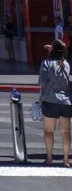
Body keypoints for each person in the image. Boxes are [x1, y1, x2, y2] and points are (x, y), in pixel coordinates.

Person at [38, 39, 71, 167]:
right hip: (66, 102)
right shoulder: (66, 64)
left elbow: (42, 81)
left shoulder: (46, 62)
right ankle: (66, 160)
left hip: (50, 100)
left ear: (53, 49)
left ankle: (50, 158)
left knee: (49, 131)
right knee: (66, 132)